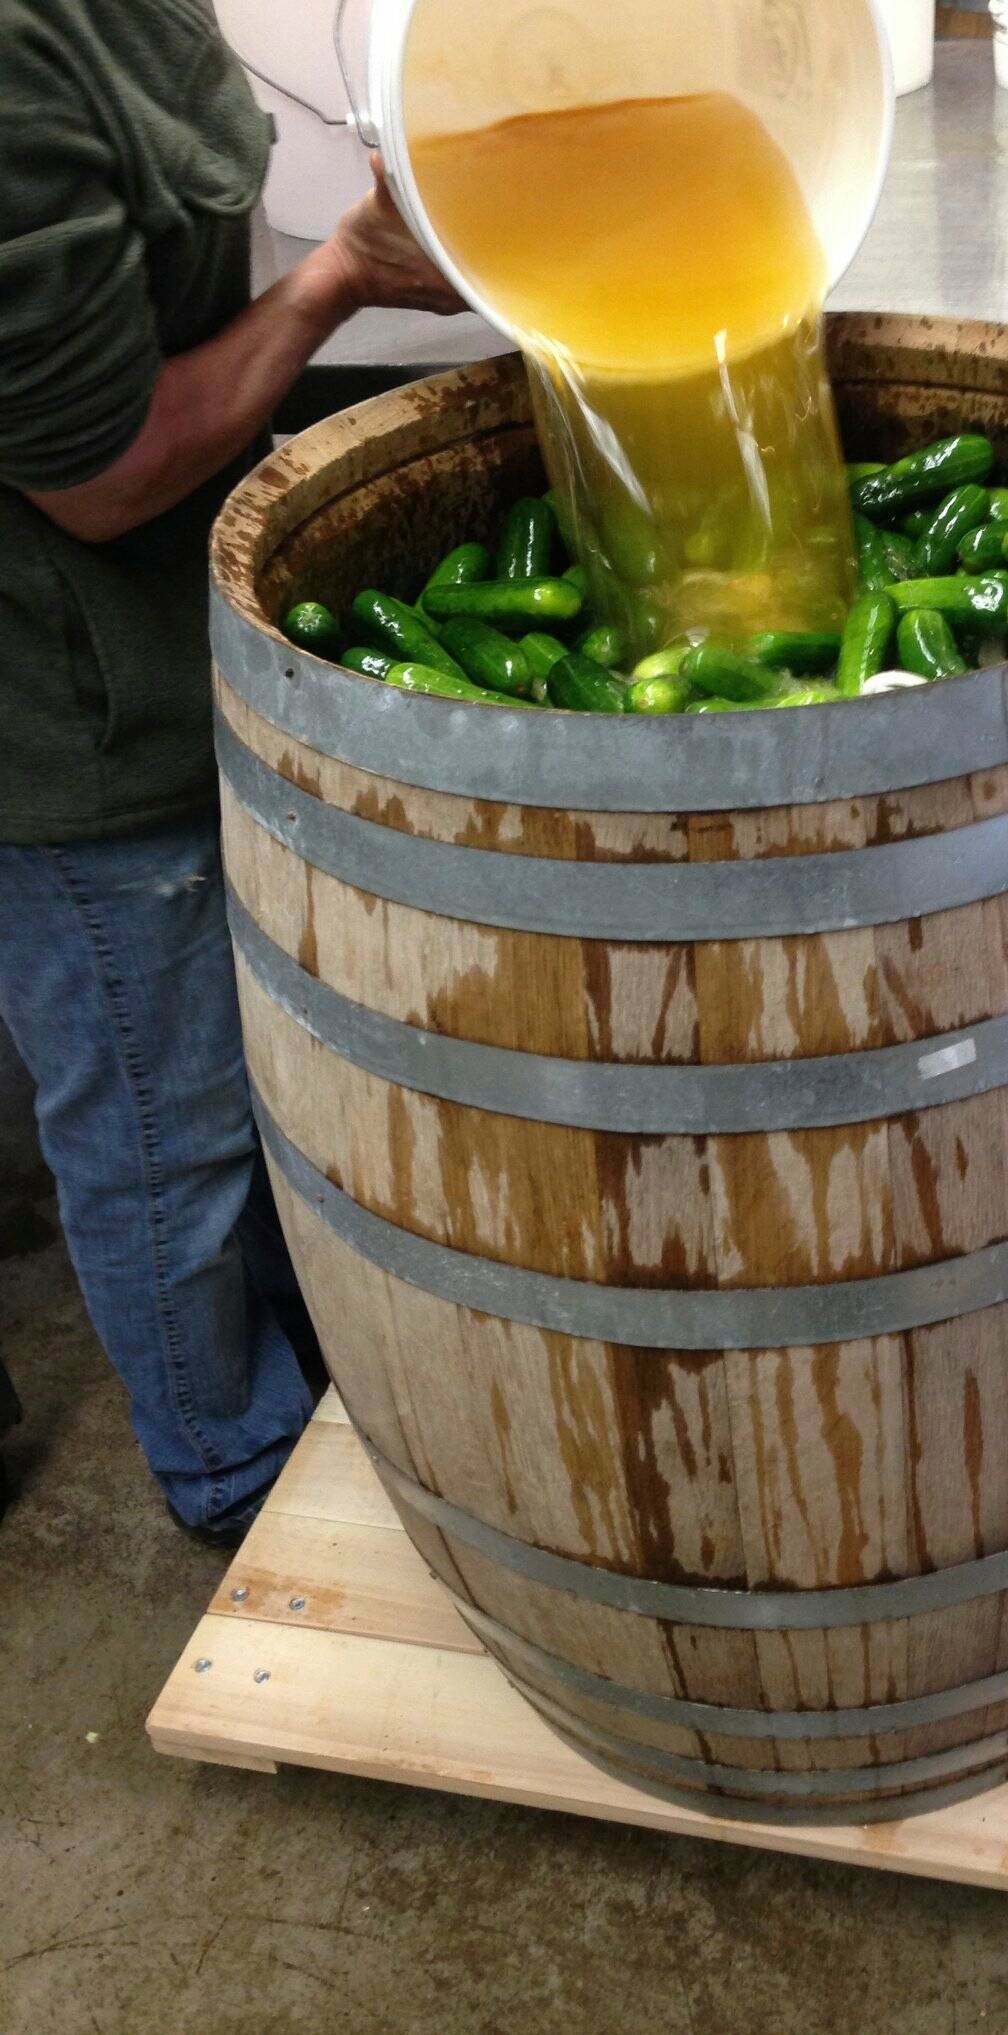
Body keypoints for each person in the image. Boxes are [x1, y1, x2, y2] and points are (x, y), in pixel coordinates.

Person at [0, 0, 461, 1541]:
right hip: (64, 706)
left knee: (244, 1070)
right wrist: (341, 279)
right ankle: (230, 1472)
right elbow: (98, 476)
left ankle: (301, 1386)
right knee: (158, 1129)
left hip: (173, 631)